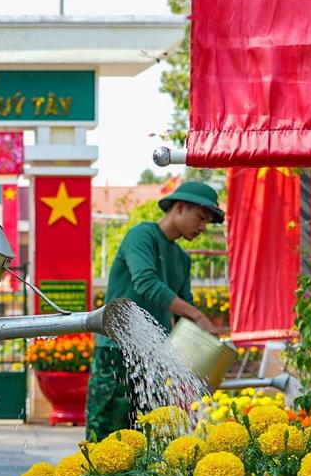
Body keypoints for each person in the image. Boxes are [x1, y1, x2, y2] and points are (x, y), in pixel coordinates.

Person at [85, 181, 225, 438]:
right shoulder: (142, 235)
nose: (203, 227)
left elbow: (185, 311)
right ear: (180, 207)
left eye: (207, 222)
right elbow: (147, 283)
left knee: (149, 439)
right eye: (200, 217)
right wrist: (197, 316)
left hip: (154, 358)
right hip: (117, 351)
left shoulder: (182, 258)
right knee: (106, 437)